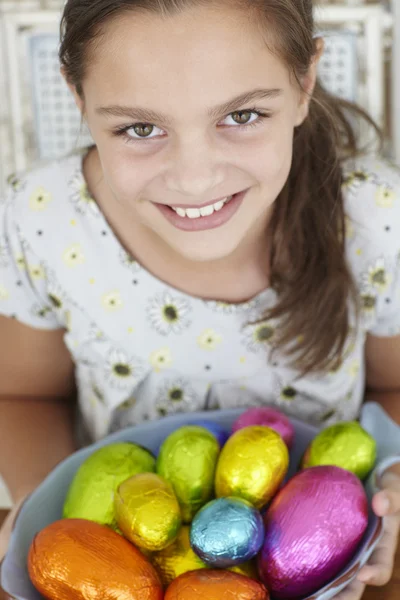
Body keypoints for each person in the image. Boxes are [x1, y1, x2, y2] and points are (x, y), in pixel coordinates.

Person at [0, 0, 399, 596]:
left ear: (304, 81)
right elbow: (23, 393)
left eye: (241, 115)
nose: (193, 179)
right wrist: (55, 512)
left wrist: (391, 476)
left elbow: (393, 386)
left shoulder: (374, 219)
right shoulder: (44, 221)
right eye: (140, 128)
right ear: (78, 98)